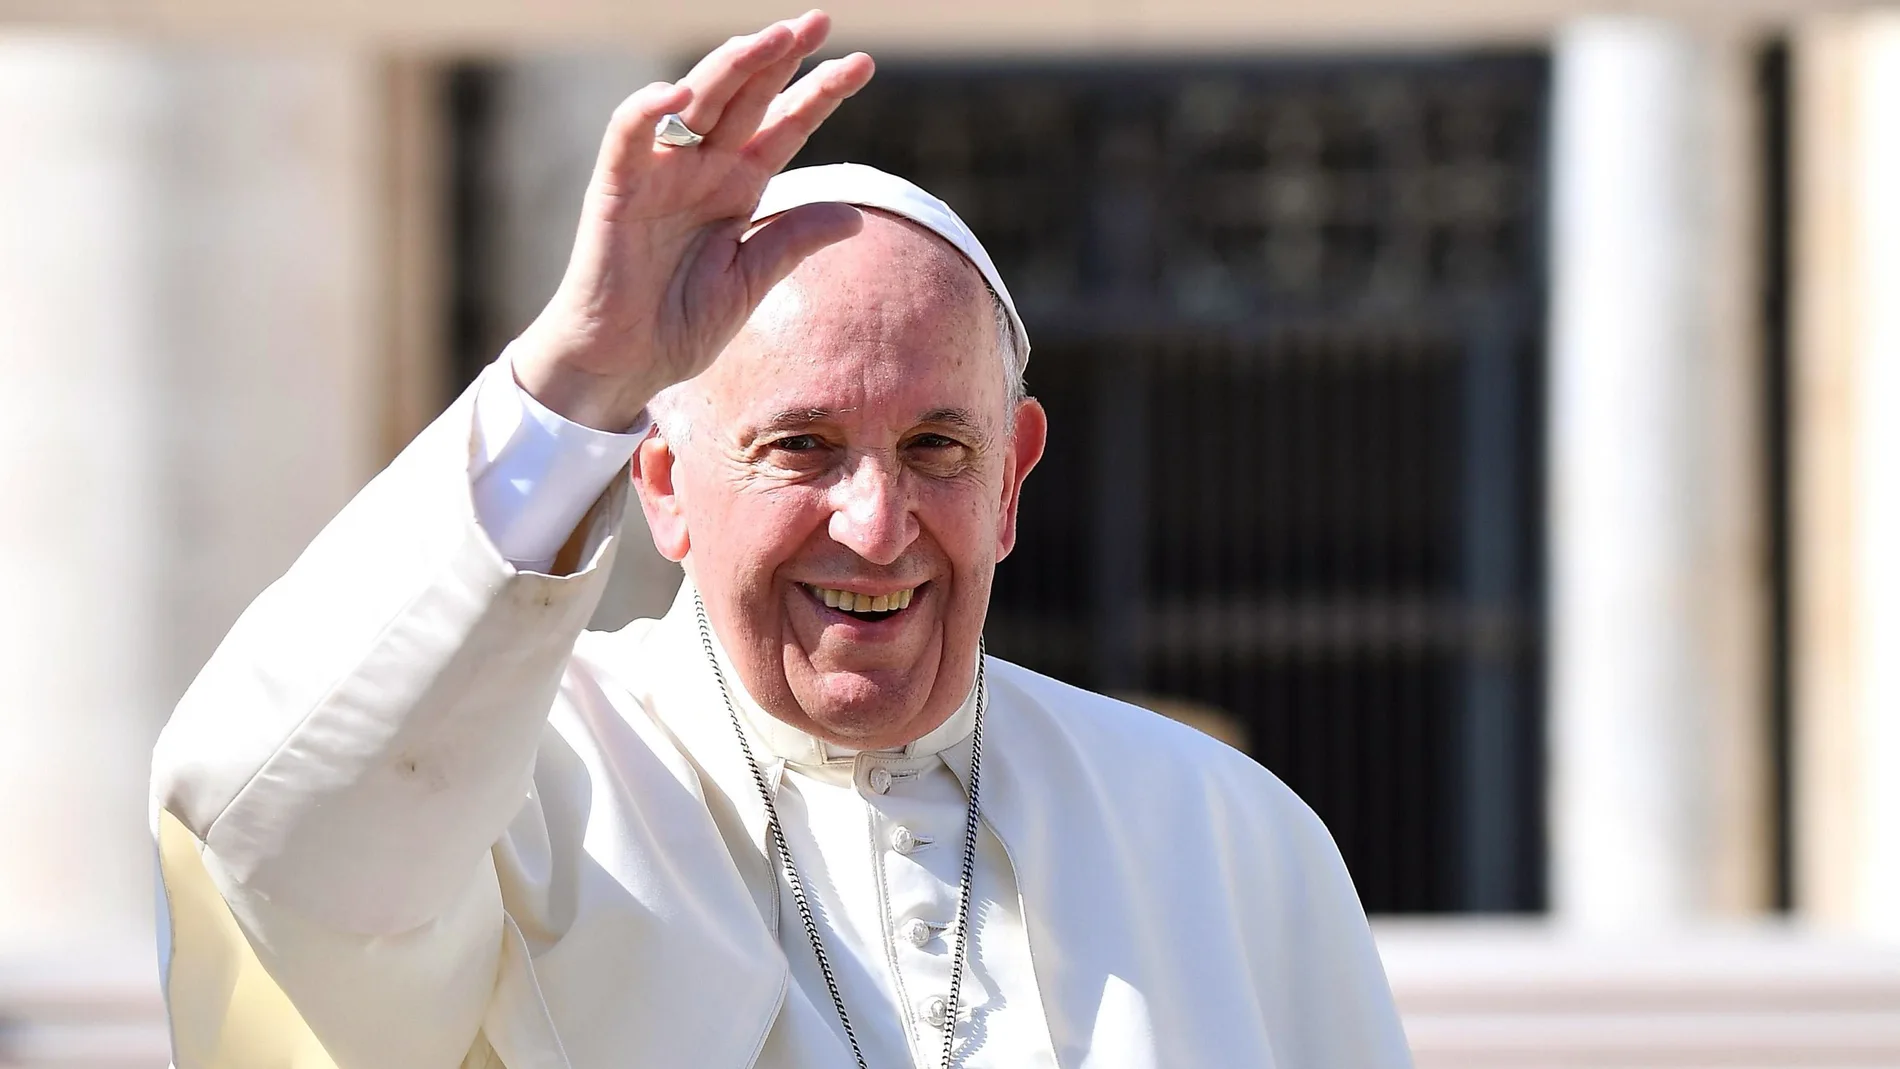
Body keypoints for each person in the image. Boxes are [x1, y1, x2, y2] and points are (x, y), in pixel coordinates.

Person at [150, 11, 1412, 1068]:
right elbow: (272, 819)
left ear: (1014, 481)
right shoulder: (520, 788)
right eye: (799, 447)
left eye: (937, 449)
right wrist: (573, 378)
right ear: (661, 483)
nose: (875, 525)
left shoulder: (1227, 834)